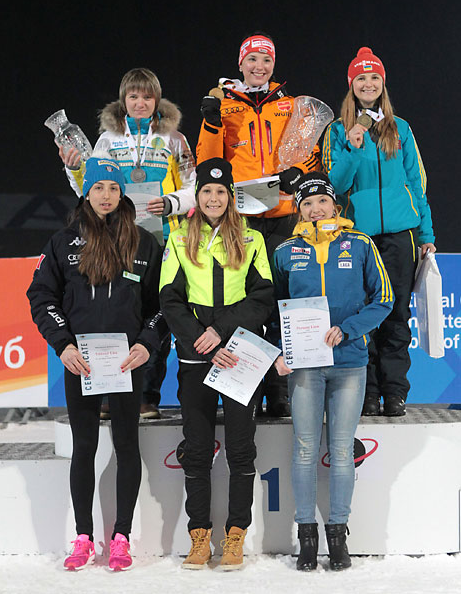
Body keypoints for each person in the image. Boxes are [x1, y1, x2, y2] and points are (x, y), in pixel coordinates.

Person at [27, 157, 168, 571]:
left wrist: (147, 342)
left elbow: (162, 306)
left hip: (126, 362)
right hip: (81, 363)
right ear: (86, 193)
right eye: (98, 188)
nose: (106, 195)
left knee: (127, 446)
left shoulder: (144, 242)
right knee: (84, 447)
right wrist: (64, 345)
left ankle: (121, 537)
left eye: (112, 187)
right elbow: (41, 298)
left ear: (122, 192)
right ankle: (84, 537)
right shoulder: (63, 242)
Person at [272, 173, 394, 570]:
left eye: (321, 201)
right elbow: (271, 309)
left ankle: (338, 534)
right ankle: (306, 534)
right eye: (307, 204)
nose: (315, 208)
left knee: (341, 451)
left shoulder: (359, 244)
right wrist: (280, 349)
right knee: (306, 449)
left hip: (349, 365)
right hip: (305, 367)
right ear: (300, 211)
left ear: (334, 206)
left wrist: (350, 330)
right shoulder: (287, 251)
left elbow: (384, 299)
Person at [58, 65, 195, 417]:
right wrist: (75, 169)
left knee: (158, 313)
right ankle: (113, 392)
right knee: (119, 313)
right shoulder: (107, 139)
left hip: (164, 240)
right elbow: (89, 189)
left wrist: (171, 203)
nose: (140, 102)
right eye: (133, 96)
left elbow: (196, 188)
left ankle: (148, 396)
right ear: (123, 100)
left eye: (147, 96)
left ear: (157, 100)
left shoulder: (175, 139)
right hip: (118, 238)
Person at [197, 33, 322, 415]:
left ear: (273, 65)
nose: (259, 67)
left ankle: (280, 390)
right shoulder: (223, 103)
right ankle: (245, 389)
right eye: (252, 60)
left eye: (265, 61)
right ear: (240, 64)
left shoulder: (289, 104)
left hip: (283, 216)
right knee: (247, 303)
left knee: (284, 304)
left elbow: (310, 152)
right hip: (242, 219)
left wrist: (297, 172)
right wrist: (212, 123)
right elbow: (208, 163)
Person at [159, 157, 274, 569]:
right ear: (197, 196)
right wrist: (201, 341)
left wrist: (222, 331)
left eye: (220, 191)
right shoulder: (177, 239)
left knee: (241, 451)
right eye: (206, 191)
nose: (213, 198)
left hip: (241, 357)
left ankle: (236, 535)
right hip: (195, 358)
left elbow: (262, 297)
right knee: (197, 449)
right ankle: (200, 535)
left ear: (230, 197)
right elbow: (170, 299)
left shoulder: (252, 238)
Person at [321, 49, 435, 418]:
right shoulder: (338, 131)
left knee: (397, 316)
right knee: (362, 315)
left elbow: (417, 184)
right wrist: (353, 149)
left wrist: (426, 232)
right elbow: (333, 188)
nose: (368, 84)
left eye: (374, 78)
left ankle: (395, 392)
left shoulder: (401, 128)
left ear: (382, 84)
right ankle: (366, 392)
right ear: (351, 85)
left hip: (401, 236)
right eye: (360, 79)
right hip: (358, 239)